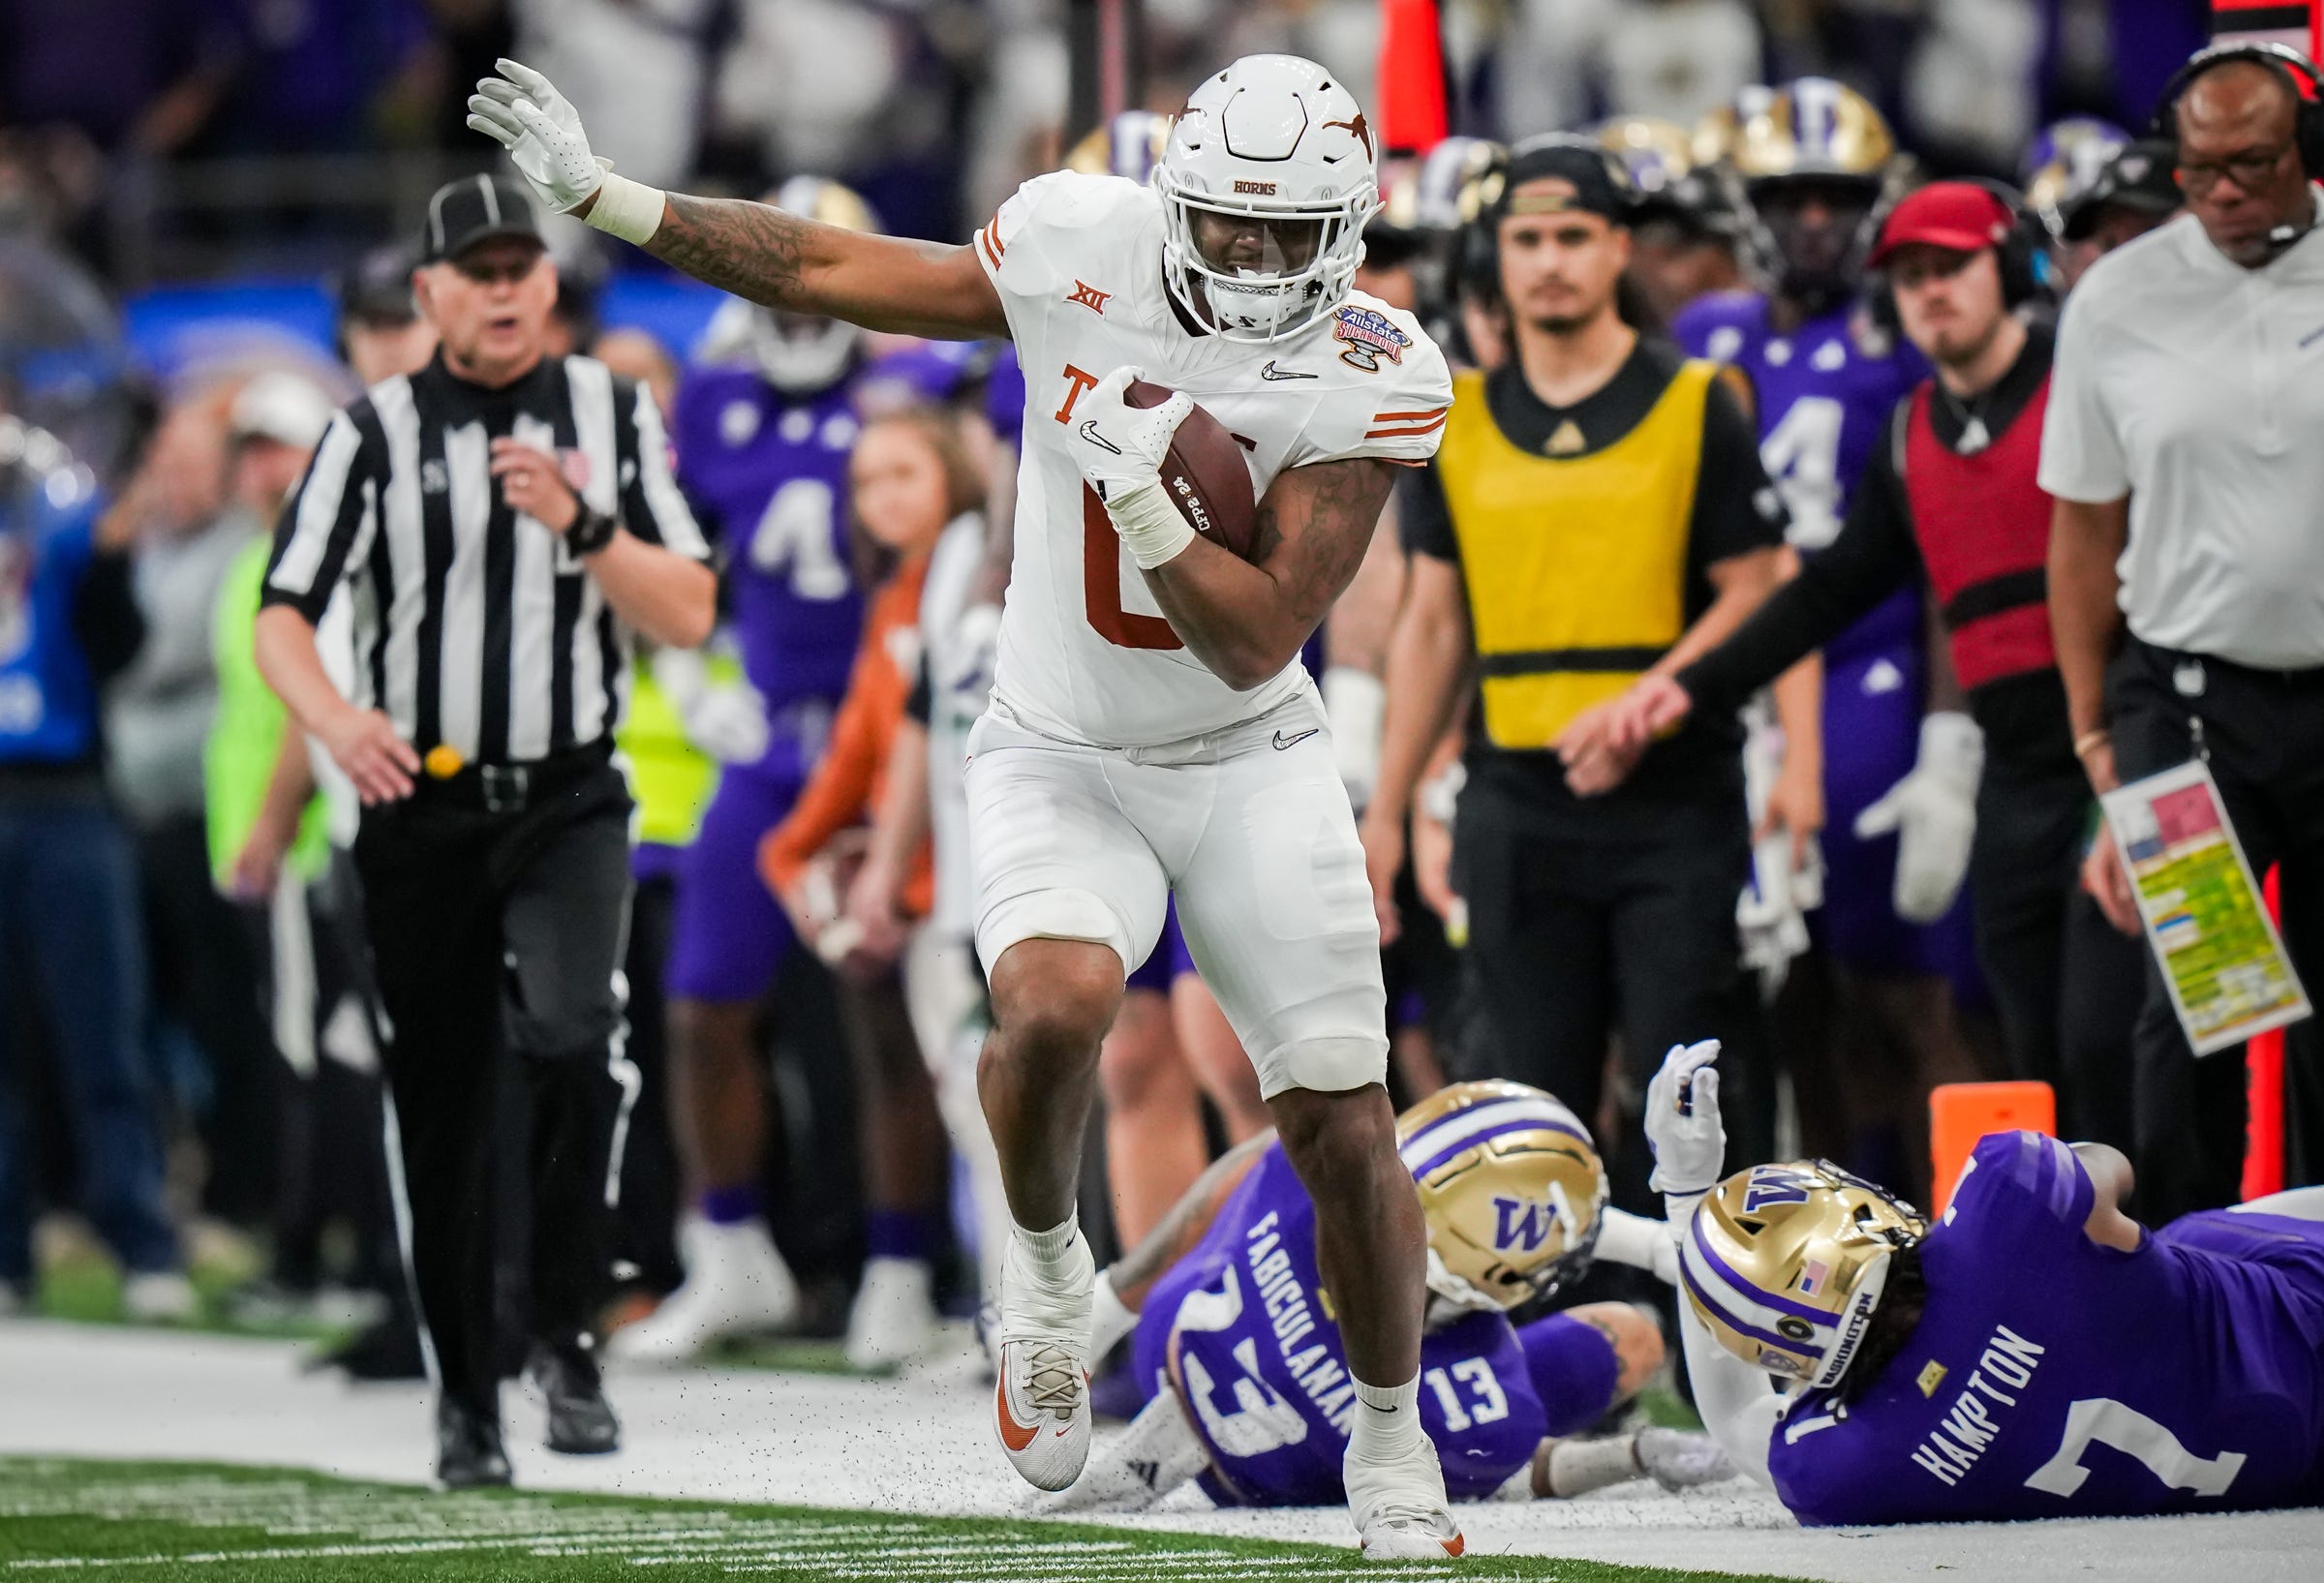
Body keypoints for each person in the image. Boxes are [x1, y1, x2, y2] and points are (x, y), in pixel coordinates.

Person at [471, 54, 1469, 1553]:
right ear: (1175, 203)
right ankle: (1049, 1268)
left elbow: (1260, 632)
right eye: (1229, 227)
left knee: (1339, 1118)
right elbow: (827, 264)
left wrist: (1141, 499)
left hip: (1250, 749)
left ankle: (1393, 1443)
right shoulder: (1080, 242)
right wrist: (612, 201)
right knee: (1057, 1002)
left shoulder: (1378, 362)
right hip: (1058, 739)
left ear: (1348, 228)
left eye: (1286, 234)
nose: (1254, 261)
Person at [254, 172, 717, 1489]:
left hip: (569, 789)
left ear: (547, 288)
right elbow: (284, 610)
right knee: (443, 1102)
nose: (507, 285)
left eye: (526, 265)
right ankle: (467, 1395)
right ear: (434, 292)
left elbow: (686, 607)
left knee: (576, 1040)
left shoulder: (613, 415)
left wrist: (582, 524)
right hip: (422, 804)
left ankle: (567, 1334)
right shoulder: (373, 434)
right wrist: (338, 720)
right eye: (482, 266)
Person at [1597, 182, 2145, 1159]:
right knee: (2034, 1042)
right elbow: (1824, 593)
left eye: (1953, 268)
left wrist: (2143, 770)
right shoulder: (1910, 432)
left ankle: (2219, 1274)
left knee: (2145, 1038)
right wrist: (1692, 684)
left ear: (2012, 271)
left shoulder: (2092, 388)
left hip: (2131, 749)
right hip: (2017, 768)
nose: (1932, 293)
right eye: (1912, 276)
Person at [1361, 138, 1803, 1195]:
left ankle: (1712, 1347)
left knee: (1686, 1091)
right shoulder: (1455, 421)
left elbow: (1762, 582)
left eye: (1572, 237)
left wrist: (1659, 700)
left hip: (1673, 797)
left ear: (1618, 249)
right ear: (1496, 258)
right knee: (1524, 1103)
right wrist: (1384, 810)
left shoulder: (1697, 400)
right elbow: (1431, 624)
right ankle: (1557, 1346)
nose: (1549, 262)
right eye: (1526, 241)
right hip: (1516, 796)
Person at [1675, 78, 1982, 1172]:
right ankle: (1841, 1240)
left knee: (1899, 980)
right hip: (1736, 674)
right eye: (1792, 196)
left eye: (1837, 197)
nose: (1815, 221)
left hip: (1867, 670)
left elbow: (1950, 541)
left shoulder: (1907, 337)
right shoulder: (1706, 334)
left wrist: (1949, 733)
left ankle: (1966, 1231)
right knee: (1789, 997)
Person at [1643, 1039, 2324, 1525]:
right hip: (2302, 1318)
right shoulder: (2005, 1208)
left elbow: (1738, 1420)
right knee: (2191, 1237)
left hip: (2286, 1465)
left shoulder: (1848, 1466)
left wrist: (1684, 1193)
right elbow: (2107, 1167)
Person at [2044, 43, 2324, 1219]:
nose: (2219, 190)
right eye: (2198, 168)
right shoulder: (2120, 295)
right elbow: (2083, 531)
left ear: (2306, 150)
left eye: (2250, 163)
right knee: (2199, 999)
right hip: (2186, 699)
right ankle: (2198, 1278)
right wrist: (2096, 736)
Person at [611, 176, 884, 1367]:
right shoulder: (715, 395)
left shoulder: (910, 381)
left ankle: (905, 1264)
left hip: (893, 733)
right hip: (770, 739)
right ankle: (730, 1251)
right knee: (704, 999)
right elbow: (667, 568)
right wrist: (697, 683)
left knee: (889, 1022)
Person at [1043, 1080, 1732, 1513]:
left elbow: (1228, 1186)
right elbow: (1517, 1471)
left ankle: (1102, 1305)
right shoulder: (1484, 1398)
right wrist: (1632, 1457)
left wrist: (1112, 1301)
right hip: (1315, 1441)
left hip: (1181, 1349)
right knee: (1632, 1334)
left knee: (1280, 1155)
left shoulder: (1300, 1187)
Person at [755, 409, 970, 1370]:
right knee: (930, 1087)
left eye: (904, 473)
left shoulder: (970, 570)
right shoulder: (897, 595)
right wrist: (797, 860)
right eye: (867, 482)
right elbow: (862, 745)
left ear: (953, 471)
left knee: (982, 1098)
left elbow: (942, 752)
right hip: (921, 880)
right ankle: (928, 1284)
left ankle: (1001, 1302)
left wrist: (887, 879)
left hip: (963, 876)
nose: (882, 498)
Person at [0, 412, 191, 1323]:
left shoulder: (64, 517)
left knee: (101, 1029)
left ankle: (140, 1236)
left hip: (67, 796)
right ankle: (7, 1250)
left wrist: (113, 561)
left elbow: (119, 652)